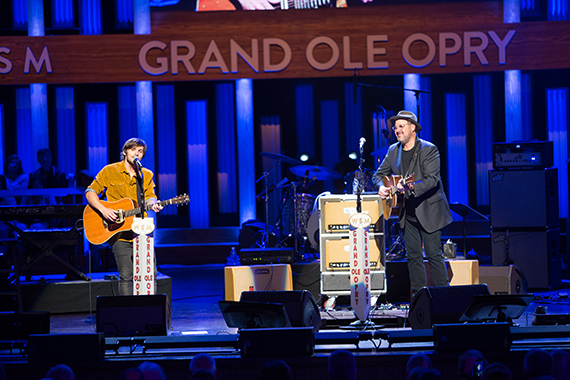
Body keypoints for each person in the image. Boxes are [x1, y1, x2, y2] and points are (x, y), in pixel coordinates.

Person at [372, 110, 452, 295]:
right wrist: (381, 187)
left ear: (413, 127)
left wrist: (408, 187)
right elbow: (378, 175)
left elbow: (433, 180)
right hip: (406, 212)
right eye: (395, 127)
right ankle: (419, 297)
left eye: (402, 126)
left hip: (429, 210)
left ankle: (444, 297)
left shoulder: (429, 149)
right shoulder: (393, 151)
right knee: (413, 257)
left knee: (433, 255)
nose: (397, 130)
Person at [86, 138, 163, 295]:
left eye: (140, 151)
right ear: (125, 151)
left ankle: (151, 312)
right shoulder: (109, 171)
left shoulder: (146, 174)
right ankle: (128, 314)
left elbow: (150, 195)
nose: (137, 153)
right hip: (119, 231)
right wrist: (103, 209)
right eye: (133, 149)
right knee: (127, 276)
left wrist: (154, 203)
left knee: (149, 275)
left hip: (142, 229)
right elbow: (90, 192)